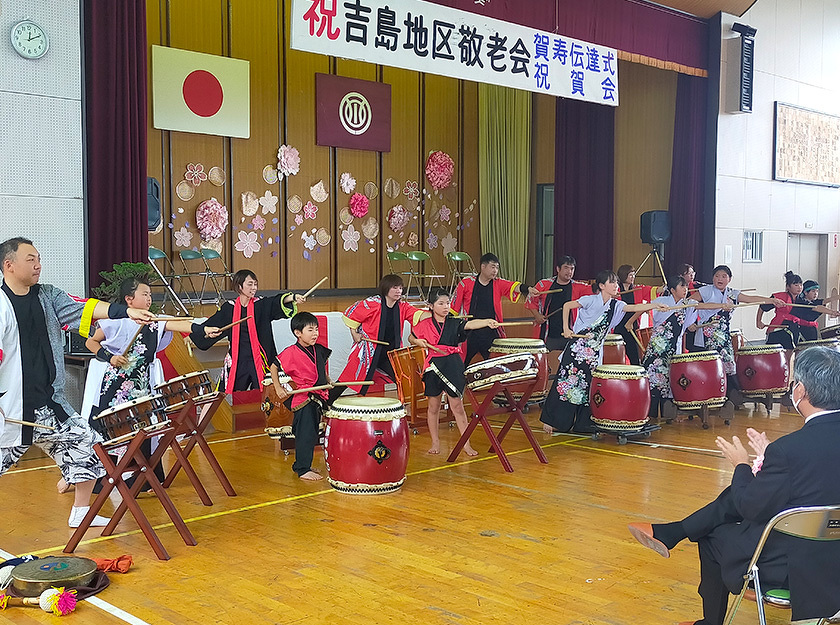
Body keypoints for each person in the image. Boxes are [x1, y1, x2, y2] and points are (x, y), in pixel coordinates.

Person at [627, 346, 840, 625]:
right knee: (740, 496)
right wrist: (769, 460)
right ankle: (672, 532)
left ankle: (709, 620)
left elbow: (751, 508)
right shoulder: (789, 451)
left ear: (800, 390)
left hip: (793, 567)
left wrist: (741, 465)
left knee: (712, 536)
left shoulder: (790, 450)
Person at [0, 237, 154, 528]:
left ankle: (81, 512)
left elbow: (85, 308)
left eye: (39, 259)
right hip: (11, 409)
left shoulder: (48, 296)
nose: (38, 265)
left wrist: (126, 311)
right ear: (9, 265)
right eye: (30, 259)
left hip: (50, 404)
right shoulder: (1, 306)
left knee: (88, 445)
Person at [71, 277, 220, 494]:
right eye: (144, 294)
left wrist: (203, 330)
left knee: (145, 428)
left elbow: (182, 324)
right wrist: (110, 357)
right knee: (107, 429)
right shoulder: (114, 321)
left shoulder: (155, 321)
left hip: (142, 384)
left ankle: (144, 478)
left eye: (150, 294)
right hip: (115, 386)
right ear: (129, 299)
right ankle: (98, 478)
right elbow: (90, 342)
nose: (149, 299)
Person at [539, 270, 667, 434]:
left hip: (593, 355)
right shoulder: (590, 300)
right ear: (601, 286)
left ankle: (584, 425)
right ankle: (553, 422)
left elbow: (634, 307)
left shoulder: (616, 305)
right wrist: (566, 328)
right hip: (576, 351)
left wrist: (654, 305)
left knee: (589, 388)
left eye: (616, 282)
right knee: (567, 386)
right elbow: (567, 305)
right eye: (612, 282)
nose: (616, 285)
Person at [409, 289, 501, 457]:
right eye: (441, 303)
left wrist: (487, 322)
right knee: (433, 406)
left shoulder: (454, 322)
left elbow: (470, 324)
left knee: (457, 406)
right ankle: (435, 442)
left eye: (447, 303)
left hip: (453, 364)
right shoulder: (425, 324)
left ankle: (466, 444)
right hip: (433, 366)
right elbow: (411, 337)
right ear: (431, 306)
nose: (446, 307)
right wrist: (417, 341)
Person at [191, 269, 304, 392]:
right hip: (238, 358)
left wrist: (293, 297)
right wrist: (194, 334)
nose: (254, 288)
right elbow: (212, 325)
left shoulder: (261, 305)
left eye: (255, 284)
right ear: (239, 286)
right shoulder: (229, 308)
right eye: (250, 284)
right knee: (234, 392)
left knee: (265, 392)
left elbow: (276, 302)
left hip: (260, 358)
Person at [641, 276, 734, 420]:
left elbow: (703, 306)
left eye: (686, 286)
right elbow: (642, 309)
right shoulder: (662, 301)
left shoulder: (688, 303)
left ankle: (667, 413)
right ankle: (650, 414)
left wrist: (721, 305)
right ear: (672, 290)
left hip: (674, 347)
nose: (685, 289)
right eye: (681, 287)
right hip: (657, 347)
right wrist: (630, 322)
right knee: (654, 379)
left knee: (669, 379)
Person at [687, 265, 784, 404]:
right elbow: (689, 304)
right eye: (717, 276)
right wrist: (712, 309)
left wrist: (771, 300)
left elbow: (750, 299)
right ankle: (721, 394)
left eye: (724, 276)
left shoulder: (732, 293)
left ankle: (731, 394)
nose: (720, 279)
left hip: (724, 334)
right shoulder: (706, 291)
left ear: (729, 279)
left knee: (728, 364)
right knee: (715, 363)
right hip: (708, 333)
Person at [338, 274, 426, 393]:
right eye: (395, 287)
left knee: (402, 379)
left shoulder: (402, 307)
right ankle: (325, 400)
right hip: (369, 352)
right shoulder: (373, 303)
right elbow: (352, 314)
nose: (398, 291)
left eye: (400, 288)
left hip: (389, 353)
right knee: (348, 379)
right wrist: (354, 333)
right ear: (386, 288)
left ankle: (404, 403)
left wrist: (436, 314)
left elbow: (418, 315)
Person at [271, 312, 333, 481]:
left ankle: (302, 464)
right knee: (305, 433)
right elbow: (274, 367)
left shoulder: (317, 349)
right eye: (310, 330)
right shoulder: (291, 352)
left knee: (312, 433)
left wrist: (328, 380)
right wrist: (278, 387)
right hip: (304, 398)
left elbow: (320, 368)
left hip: (318, 395)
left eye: (316, 329)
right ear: (298, 333)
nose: (315, 333)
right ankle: (303, 469)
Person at [452, 253, 538, 365]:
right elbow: (454, 306)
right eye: (492, 267)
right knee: (461, 364)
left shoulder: (498, 283)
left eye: (497, 267)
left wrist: (528, 289)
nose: (495, 271)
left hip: (491, 330)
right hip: (470, 331)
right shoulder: (466, 283)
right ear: (483, 266)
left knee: (495, 364)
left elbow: (514, 286)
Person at [525, 255, 590, 353]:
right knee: (546, 359)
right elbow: (530, 300)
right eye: (566, 268)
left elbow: (595, 292)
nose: (569, 271)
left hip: (570, 333)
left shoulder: (578, 287)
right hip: (548, 333)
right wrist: (537, 315)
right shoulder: (544, 284)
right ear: (558, 269)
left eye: (572, 269)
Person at [615, 264, 657, 366]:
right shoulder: (616, 290)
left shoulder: (637, 289)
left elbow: (652, 290)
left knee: (634, 354)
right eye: (630, 275)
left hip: (632, 325)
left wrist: (663, 288)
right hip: (617, 326)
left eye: (634, 275)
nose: (633, 277)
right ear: (623, 275)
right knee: (617, 354)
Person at [755, 271, 805, 350]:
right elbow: (763, 306)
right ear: (788, 287)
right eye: (796, 285)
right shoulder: (780, 297)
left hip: (794, 327)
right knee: (776, 352)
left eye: (801, 285)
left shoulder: (802, 300)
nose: (799, 287)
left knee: (793, 350)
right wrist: (758, 321)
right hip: (779, 326)